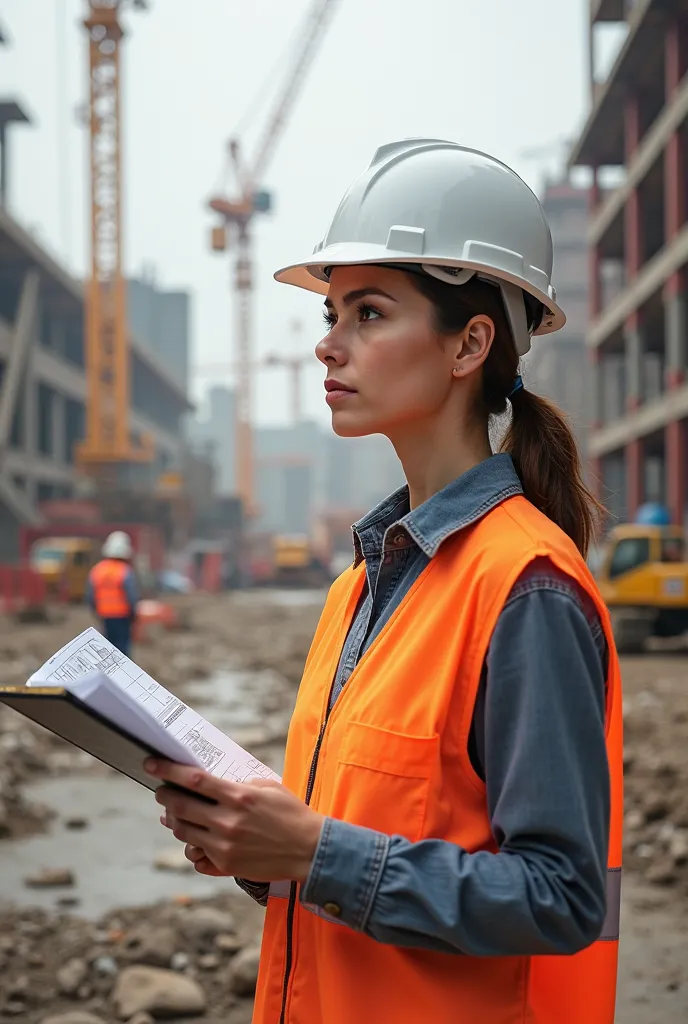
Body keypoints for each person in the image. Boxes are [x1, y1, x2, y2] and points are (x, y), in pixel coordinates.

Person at [146, 140, 623, 1024]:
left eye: (368, 313)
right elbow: (369, 846)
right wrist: (258, 848)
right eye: (332, 312)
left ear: (469, 344)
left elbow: (560, 897)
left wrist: (317, 851)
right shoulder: (359, 587)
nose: (328, 345)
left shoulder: (527, 588)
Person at [87, 531, 138, 656]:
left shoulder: (97, 570)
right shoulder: (124, 571)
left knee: (108, 649)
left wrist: (96, 611)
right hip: (122, 616)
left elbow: (90, 596)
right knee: (122, 650)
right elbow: (132, 596)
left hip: (104, 616)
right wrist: (134, 614)